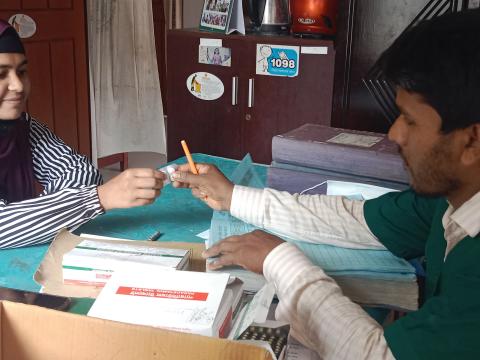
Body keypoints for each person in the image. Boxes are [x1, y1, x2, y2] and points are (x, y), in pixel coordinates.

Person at [172, 9, 480, 360]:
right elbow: (358, 219)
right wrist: (234, 198)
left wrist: (281, 261)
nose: (394, 134)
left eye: (410, 120)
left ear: (472, 141)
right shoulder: (451, 198)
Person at [0, 20, 165, 248]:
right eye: (1, 75)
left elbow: (81, 172)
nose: (18, 85)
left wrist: (33, 217)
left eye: (22, 72)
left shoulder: (22, 127)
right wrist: (99, 198)